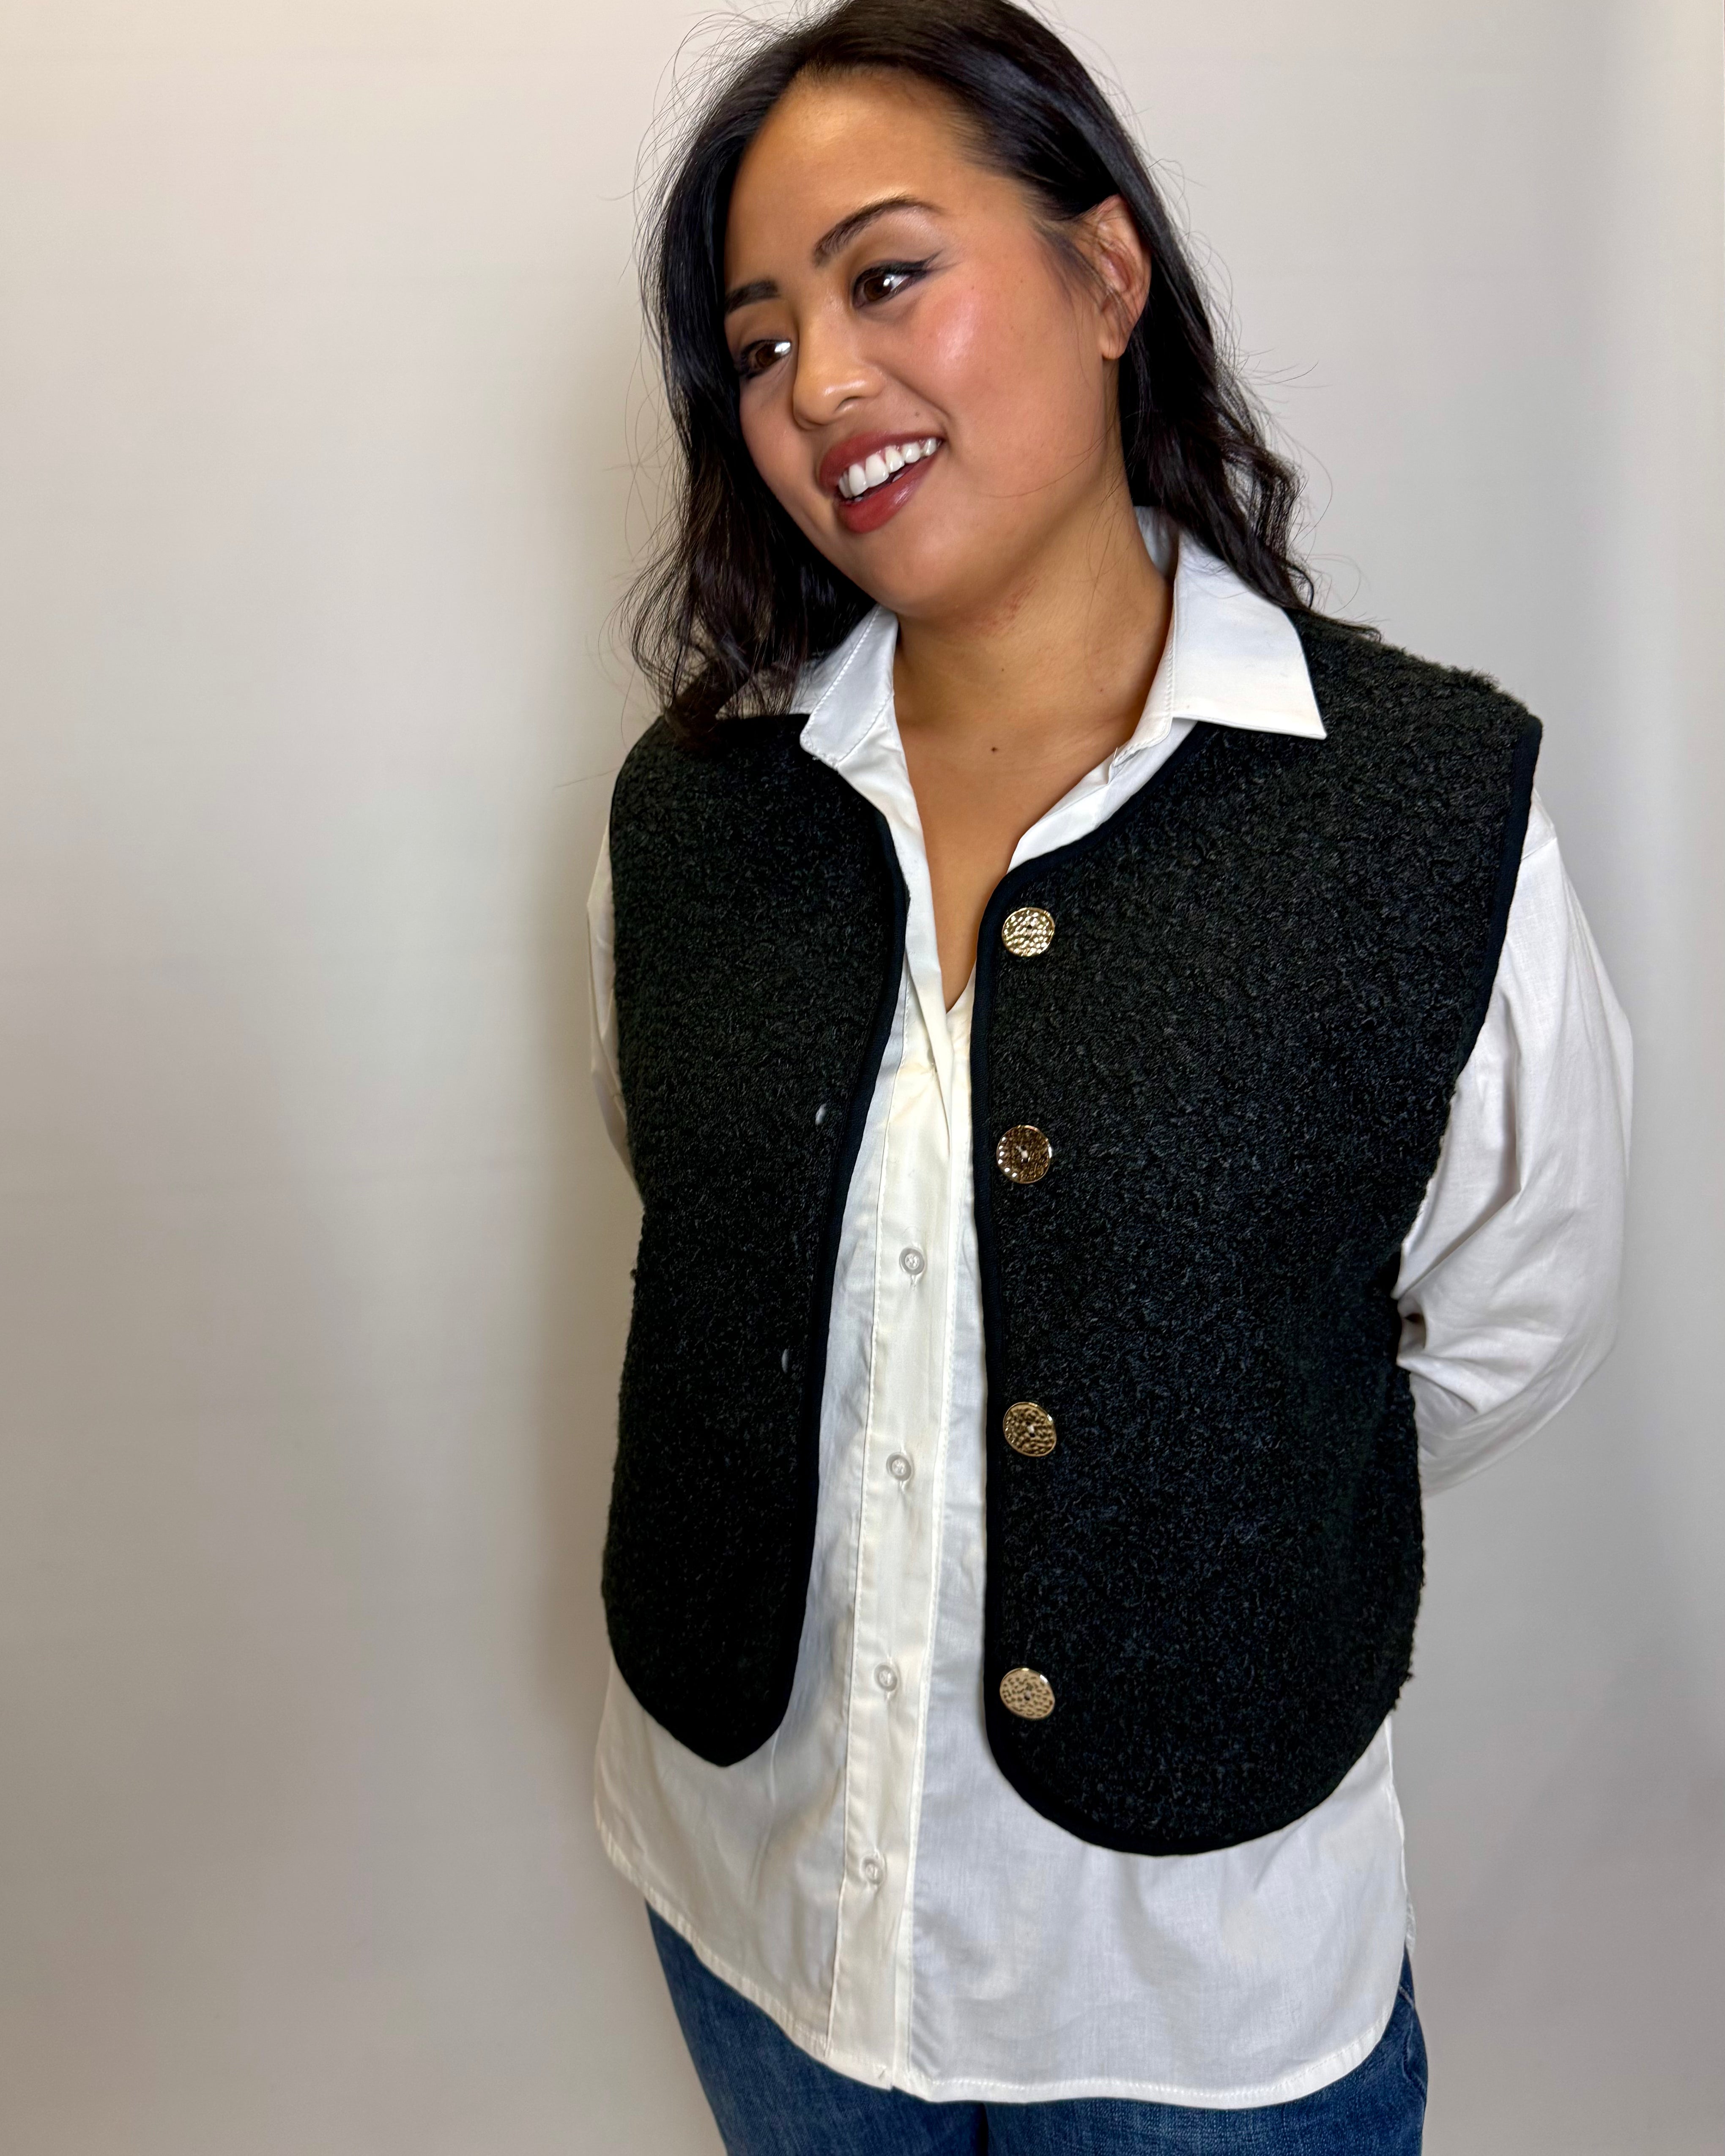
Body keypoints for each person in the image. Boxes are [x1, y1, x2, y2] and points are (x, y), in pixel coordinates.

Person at [583, 3, 1632, 2148]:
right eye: (761, 341)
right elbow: (706, 1212)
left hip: (1196, 1994)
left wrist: (1220, 1469)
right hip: (756, 1911)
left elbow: (1518, 1305)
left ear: (1106, 272)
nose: (822, 388)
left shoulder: (1416, 807)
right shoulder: (694, 817)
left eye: (887, 277)